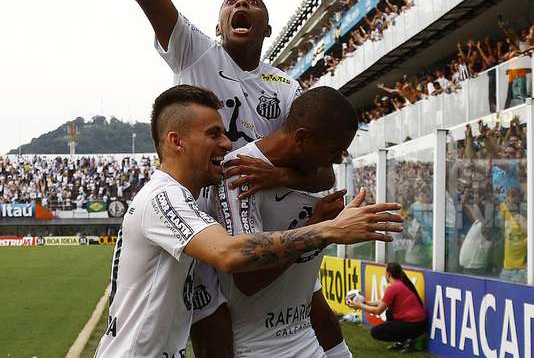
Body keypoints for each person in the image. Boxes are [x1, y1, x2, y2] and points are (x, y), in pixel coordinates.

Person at [102, 0, 343, 357]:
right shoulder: (195, 54)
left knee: (309, 304)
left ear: (267, 26)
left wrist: (278, 178)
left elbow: (314, 163)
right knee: (207, 325)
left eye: (252, 1)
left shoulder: (287, 86)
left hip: (252, 221)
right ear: (217, 25)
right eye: (231, 1)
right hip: (195, 214)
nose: (241, 4)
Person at [94, 85, 404, 357]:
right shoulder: (161, 199)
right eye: (213, 134)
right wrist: (327, 229)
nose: (228, 144)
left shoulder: (187, 201)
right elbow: (230, 254)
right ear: (177, 141)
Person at [201, 86, 362, 357]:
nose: (337, 160)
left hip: (306, 337)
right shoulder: (240, 174)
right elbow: (248, 279)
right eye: (334, 150)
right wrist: (320, 227)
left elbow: (327, 176)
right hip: (261, 348)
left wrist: (281, 178)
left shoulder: (310, 170)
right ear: (301, 138)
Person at [347, 263, 426, 352]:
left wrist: (360, 305)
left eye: (385, 272)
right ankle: (403, 341)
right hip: (419, 325)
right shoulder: (401, 283)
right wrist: (366, 303)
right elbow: (383, 302)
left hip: (414, 326)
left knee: (376, 332)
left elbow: (378, 311)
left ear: (388, 274)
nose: (384, 275)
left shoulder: (393, 287)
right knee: (389, 313)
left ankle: (408, 340)